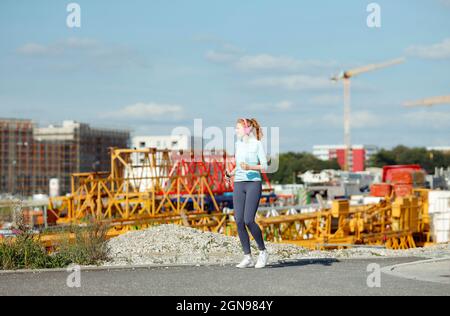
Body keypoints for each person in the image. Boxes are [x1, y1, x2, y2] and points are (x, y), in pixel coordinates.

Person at [225, 118, 269, 269]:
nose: (235, 131)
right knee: (238, 220)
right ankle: (247, 257)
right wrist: (230, 174)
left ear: (246, 129)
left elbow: (264, 166)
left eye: (237, 128)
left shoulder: (257, 144)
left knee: (249, 220)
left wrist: (250, 166)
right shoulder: (238, 145)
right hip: (239, 183)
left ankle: (262, 252)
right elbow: (239, 166)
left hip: (253, 184)